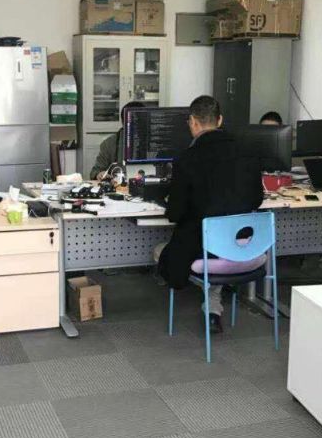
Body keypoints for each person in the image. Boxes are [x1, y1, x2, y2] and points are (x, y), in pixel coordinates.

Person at [156, 95, 264, 334]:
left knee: (160, 252)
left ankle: (203, 300)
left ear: (193, 122)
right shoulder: (248, 153)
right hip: (244, 247)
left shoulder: (187, 160)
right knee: (216, 247)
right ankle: (213, 308)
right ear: (220, 120)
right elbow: (257, 199)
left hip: (203, 248)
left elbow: (175, 213)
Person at [90, 101, 145, 180]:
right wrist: (99, 174)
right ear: (123, 123)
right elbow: (95, 172)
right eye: (133, 122)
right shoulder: (109, 144)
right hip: (120, 185)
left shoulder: (156, 142)